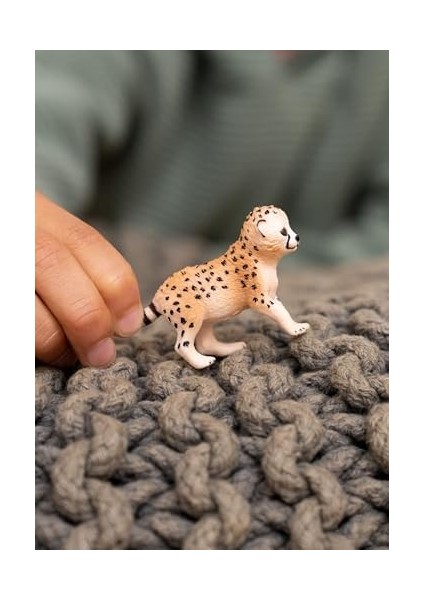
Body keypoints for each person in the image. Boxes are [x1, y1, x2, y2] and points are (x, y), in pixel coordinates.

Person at [35, 50, 389, 369]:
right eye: (284, 233)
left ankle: (204, 341)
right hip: (112, 288)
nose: (293, 238)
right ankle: (187, 345)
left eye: (289, 231)